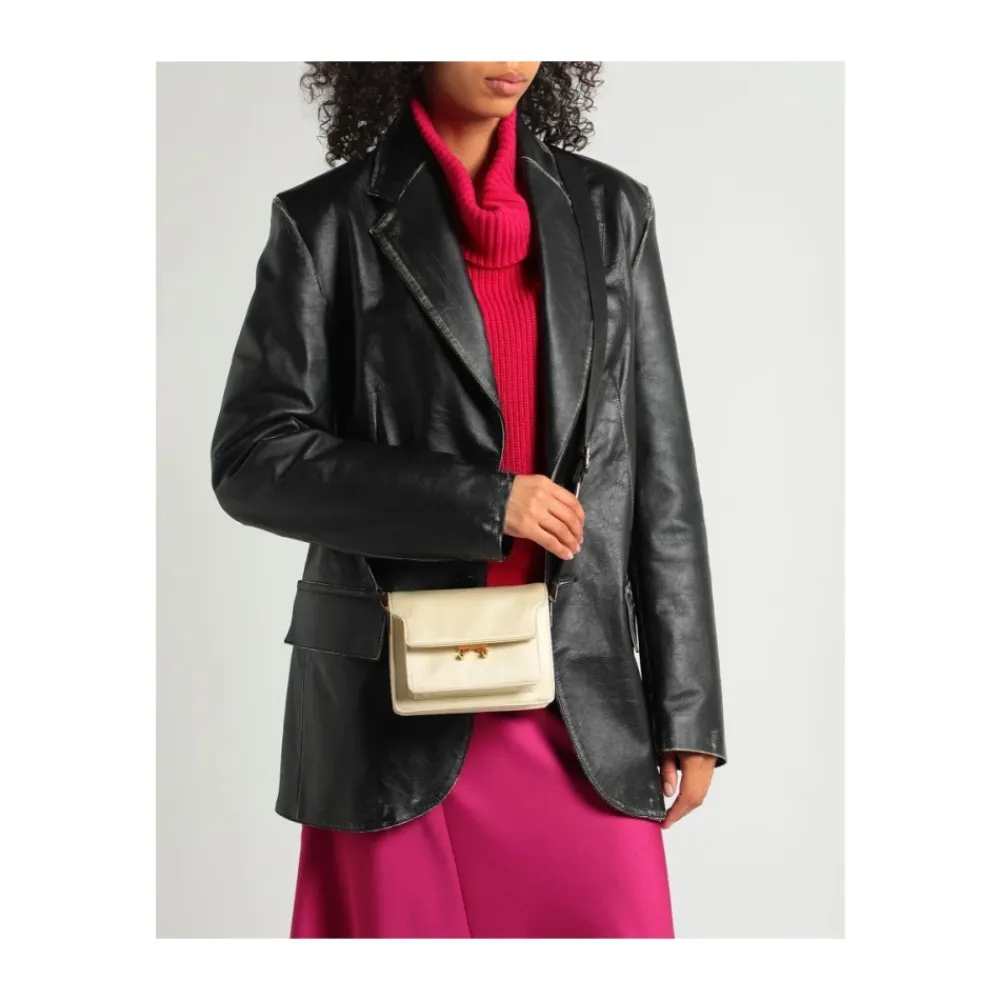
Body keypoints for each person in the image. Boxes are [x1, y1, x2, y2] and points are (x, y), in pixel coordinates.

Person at [210, 61, 727, 939]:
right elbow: (254, 458)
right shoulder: (326, 223)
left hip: (579, 699)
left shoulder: (611, 212)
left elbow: (661, 470)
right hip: (397, 707)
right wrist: (484, 505)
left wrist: (688, 705)